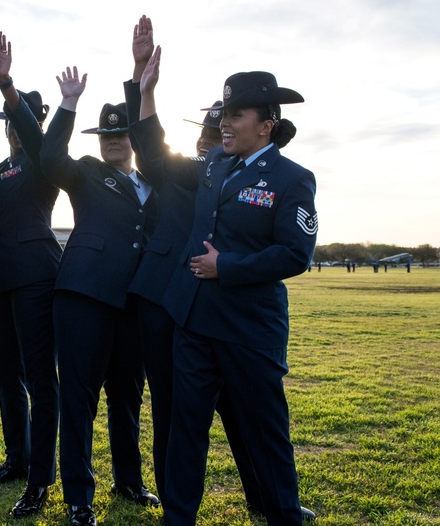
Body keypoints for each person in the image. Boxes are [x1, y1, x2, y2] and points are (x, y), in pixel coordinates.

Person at [132, 46, 318, 525]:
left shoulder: (292, 178)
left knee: (265, 434)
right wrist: (146, 93)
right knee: (184, 432)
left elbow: (295, 254)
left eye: (237, 114)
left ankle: (283, 515)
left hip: (248, 329)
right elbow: (155, 160)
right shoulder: (214, 164)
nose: (226, 123)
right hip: (193, 322)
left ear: (266, 124)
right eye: (225, 113)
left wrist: (226, 266)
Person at [39, 66, 160, 526]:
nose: (113, 138)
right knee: (80, 398)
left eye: (122, 132)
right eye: (106, 133)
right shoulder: (87, 173)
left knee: (128, 396)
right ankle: (78, 497)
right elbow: (51, 157)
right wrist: (68, 104)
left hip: (132, 302)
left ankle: (129, 480)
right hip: (84, 297)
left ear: (133, 137)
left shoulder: (154, 181)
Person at [0, 32, 61, 518]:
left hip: (37, 277)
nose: (12, 128)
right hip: (2, 280)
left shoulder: (45, 162)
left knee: (39, 379)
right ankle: (17, 460)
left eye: (18, 120)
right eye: (8, 121)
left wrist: (7, 86)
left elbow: (34, 137)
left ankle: (42, 480)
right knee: (7, 376)